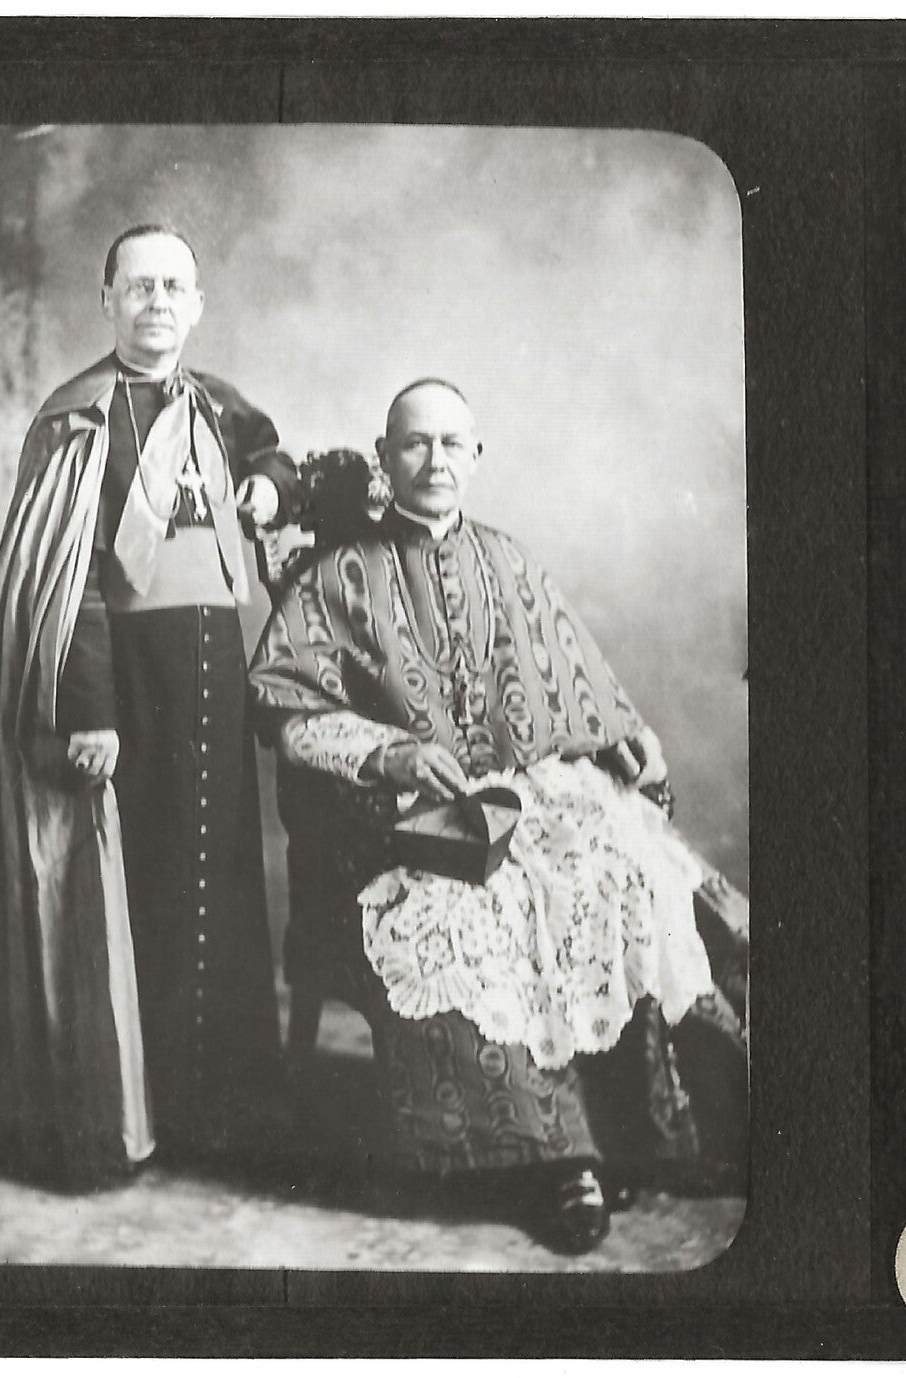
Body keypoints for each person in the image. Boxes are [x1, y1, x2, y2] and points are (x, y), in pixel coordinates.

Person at [249, 378, 747, 1251]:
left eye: (451, 444)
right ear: (385, 454)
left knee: (626, 881)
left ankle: (651, 1135)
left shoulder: (511, 560)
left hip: (534, 794)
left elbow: (577, 683)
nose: (434, 460)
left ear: (475, 457)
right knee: (476, 916)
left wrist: (625, 741)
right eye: (415, 443)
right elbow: (290, 715)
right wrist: (389, 751)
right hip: (410, 816)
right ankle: (557, 1164)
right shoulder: (338, 575)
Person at [0, 225, 298, 1185]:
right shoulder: (75, 418)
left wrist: (272, 493)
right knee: (130, 890)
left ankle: (218, 1109)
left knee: (219, 882)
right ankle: (121, 1115)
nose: (158, 303)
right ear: (106, 299)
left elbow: (278, 454)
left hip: (213, 672)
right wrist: (91, 711)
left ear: (197, 306)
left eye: (175, 288)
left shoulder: (219, 405)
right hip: (121, 681)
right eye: (140, 286)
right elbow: (63, 583)